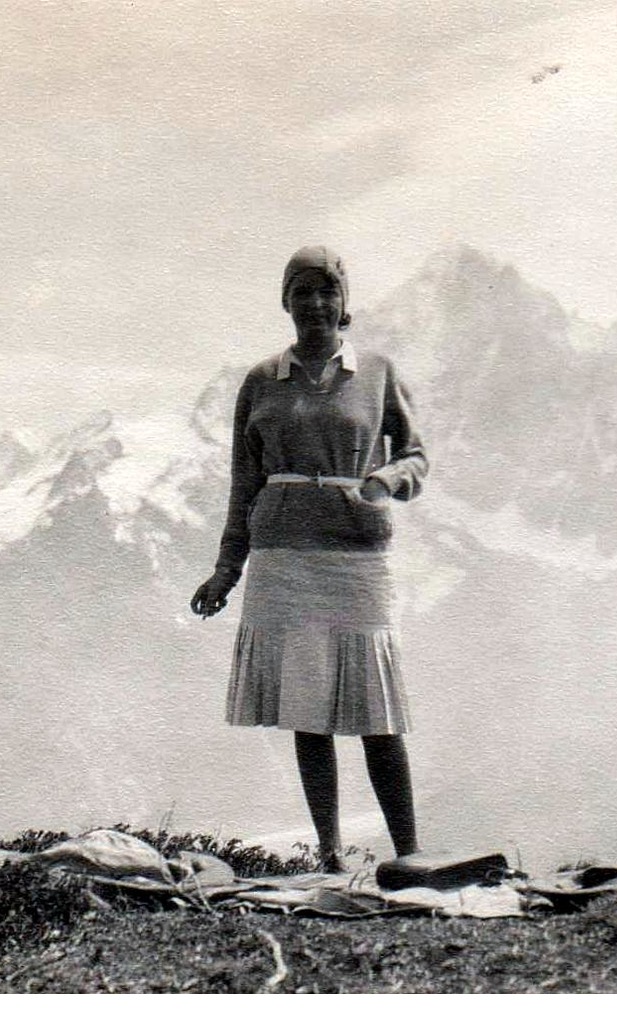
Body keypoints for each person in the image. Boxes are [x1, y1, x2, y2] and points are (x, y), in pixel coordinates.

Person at [190, 245, 428, 874]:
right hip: (282, 556)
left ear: (344, 303)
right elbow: (245, 483)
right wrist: (226, 569)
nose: (316, 304)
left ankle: (410, 855)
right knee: (308, 710)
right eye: (303, 292)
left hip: (358, 553)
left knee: (378, 713)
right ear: (286, 303)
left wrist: (388, 480)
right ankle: (329, 857)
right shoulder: (261, 382)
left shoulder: (377, 372)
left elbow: (417, 457)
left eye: (328, 292)